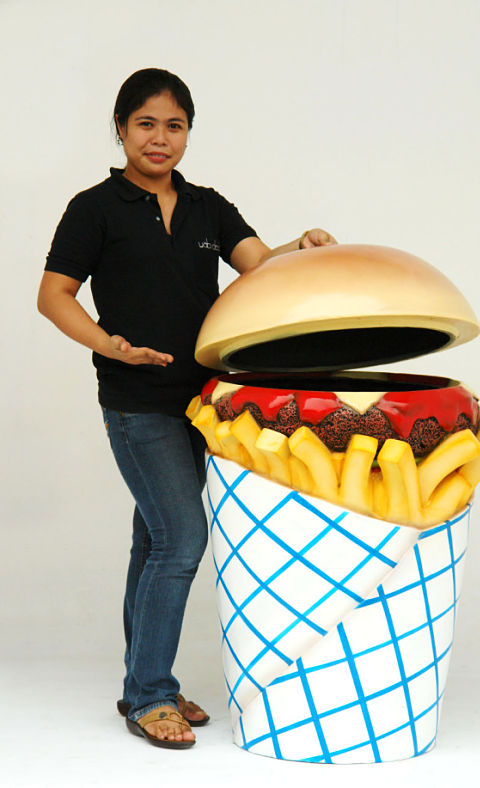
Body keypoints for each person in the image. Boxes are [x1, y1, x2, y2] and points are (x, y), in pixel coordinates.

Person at [37, 67, 337, 750]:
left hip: (206, 402)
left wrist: (299, 246)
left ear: (188, 134)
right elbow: (53, 295)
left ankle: (142, 686)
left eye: (174, 126)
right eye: (146, 123)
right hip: (137, 404)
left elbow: (260, 266)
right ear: (120, 128)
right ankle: (151, 694)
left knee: (154, 540)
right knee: (181, 538)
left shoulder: (207, 207)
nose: (160, 138)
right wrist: (112, 346)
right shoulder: (95, 208)